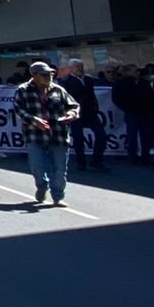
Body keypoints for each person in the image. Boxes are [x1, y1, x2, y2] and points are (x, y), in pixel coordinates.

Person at [11, 61, 80, 206]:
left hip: (59, 134)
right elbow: (18, 109)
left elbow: (73, 105)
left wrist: (72, 114)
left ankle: (58, 196)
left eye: (51, 74)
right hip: (35, 134)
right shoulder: (23, 90)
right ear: (34, 75)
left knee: (60, 168)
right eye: (45, 74)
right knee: (37, 165)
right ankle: (42, 186)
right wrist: (34, 120)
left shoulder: (58, 89)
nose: (49, 76)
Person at [58, 58, 108, 173]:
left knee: (102, 136)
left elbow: (92, 94)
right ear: (71, 68)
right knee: (78, 138)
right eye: (77, 66)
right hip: (76, 113)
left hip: (90, 112)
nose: (80, 68)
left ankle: (96, 160)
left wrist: (95, 106)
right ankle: (81, 162)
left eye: (81, 66)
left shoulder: (88, 79)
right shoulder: (66, 81)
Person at [111, 64, 154, 166]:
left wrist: (152, 108)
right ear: (127, 72)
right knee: (132, 135)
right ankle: (133, 157)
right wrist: (126, 109)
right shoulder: (121, 83)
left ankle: (146, 156)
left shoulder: (144, 82)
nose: (138, 73)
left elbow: (152, 96)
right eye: (135, 71)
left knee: (147, 135)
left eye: (138, 71)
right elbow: (117, 98)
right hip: (132, 112)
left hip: (145, 112)